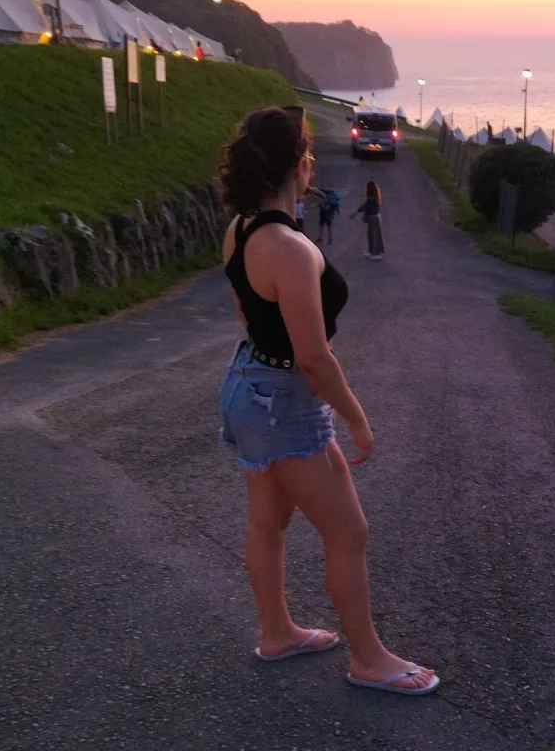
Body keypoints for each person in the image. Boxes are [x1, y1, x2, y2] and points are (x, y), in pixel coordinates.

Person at [217, 107, 437, 695]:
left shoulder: (239, 231)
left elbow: (245, 311)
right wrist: (358, 419)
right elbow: (314, 357)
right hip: (284, 397)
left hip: (249, 382)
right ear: (301, 164)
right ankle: (369, 659)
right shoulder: (290, 248)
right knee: (349, 534)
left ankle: (277, 632)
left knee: (268, 521)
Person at [351, 181, 384, 260]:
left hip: (373, 219)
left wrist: (359, 215)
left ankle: (375, 253)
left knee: (373, 236)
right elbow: (364, 206)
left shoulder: (371, 199)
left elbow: (365, 208)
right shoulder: (375, 197)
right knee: (374, 236)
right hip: (376, 218)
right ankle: (373, 252)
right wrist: (356, 213)